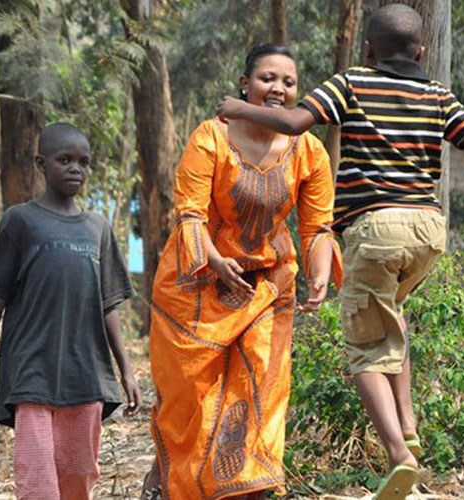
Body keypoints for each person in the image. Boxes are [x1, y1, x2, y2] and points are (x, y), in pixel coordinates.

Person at [217, 4, 464, 499]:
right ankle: (409, 423)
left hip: (376, 228)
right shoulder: (438, 94)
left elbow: (293, 123)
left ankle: (398, 456)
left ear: (368, 49)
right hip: (428, 231)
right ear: (421, 51)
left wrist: (240, 108)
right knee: (390, 316)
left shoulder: (352, 81)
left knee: (363, 351)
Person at [142, 44, 342, 500]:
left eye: (289, 82)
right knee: (190, 400)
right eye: (268, 78)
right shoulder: (211, 136)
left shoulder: (309, 151)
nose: (279, 89)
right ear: (244, 84)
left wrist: (320, 272)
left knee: (260, 390)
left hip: (267, 286)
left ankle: (244, 490)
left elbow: (318, 225)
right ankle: (170, 480)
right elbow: (189, 214)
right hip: (194, 289)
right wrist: (213, 259)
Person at [0, 122, 141, 500]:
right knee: (38, 478)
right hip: (31, 369)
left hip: (86, 371)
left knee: (79, 474)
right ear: (41, 163)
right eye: (64, 160)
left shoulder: (98, 227)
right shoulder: (21, 221)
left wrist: (126, 370)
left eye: (84, 162)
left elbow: (108, 301)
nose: (75, 168)